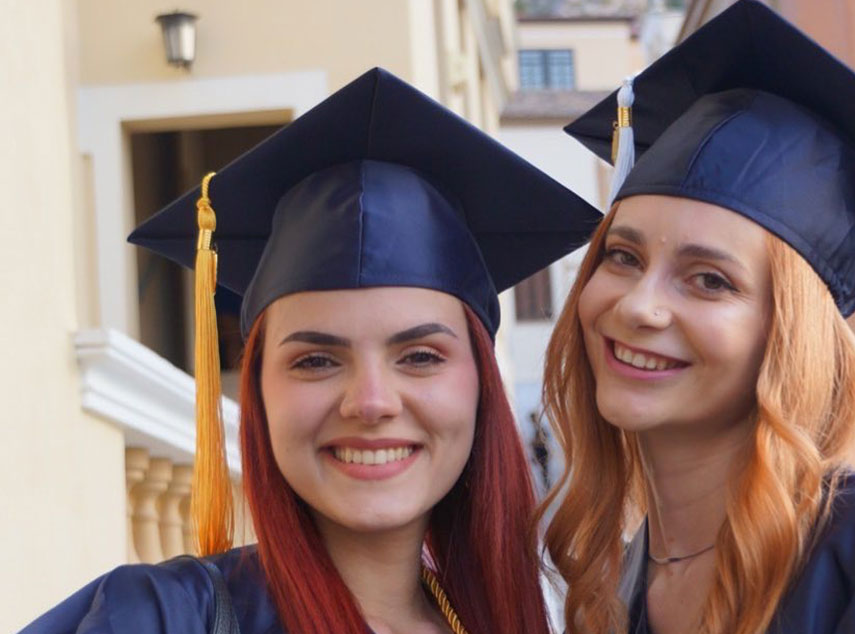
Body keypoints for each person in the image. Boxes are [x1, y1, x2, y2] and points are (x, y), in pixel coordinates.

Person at [21, 68, 600, 634]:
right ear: (259, 391)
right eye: (316, 360)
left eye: (421, 356)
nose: (371, 402)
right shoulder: (160, 617)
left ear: (481, 384)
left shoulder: (504, 617)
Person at [538, 2, 855, 633]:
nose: (639, 305)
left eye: (710, 280)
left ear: (787, 333)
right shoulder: (621, 583)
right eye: (623, 255)